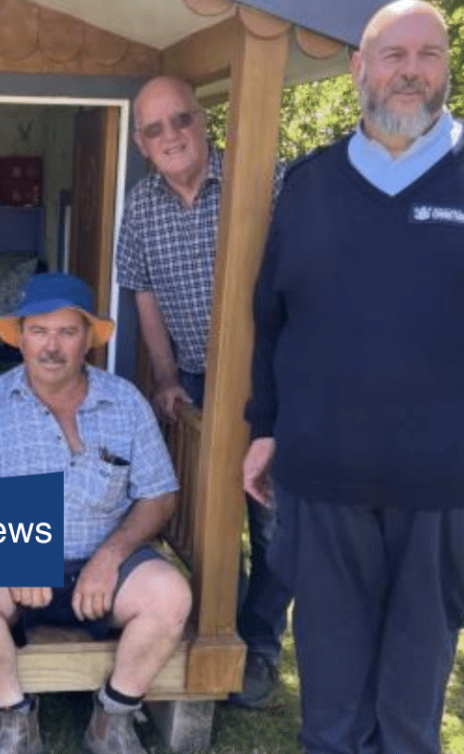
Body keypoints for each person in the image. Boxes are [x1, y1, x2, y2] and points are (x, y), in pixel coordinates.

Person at [243, 3, 463, 752]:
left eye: (428, 54)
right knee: (330, 705)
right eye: (392, 53)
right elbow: (271, 319)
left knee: (409, 707)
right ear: (358, 68)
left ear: (446, 66)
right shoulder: (307, 186)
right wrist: (262, 427)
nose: (411, 70)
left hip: (441, 488)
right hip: (322, 476)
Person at [0, 273, 192, 754]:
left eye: (66, 332)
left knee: (170, 595)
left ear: (88, 341)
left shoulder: (125, 402)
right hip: (14, 572)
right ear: (20, 338)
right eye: (38, 331)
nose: (51, 346)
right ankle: (17, 724)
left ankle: (112, 718)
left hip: (104, 565)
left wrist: (112, 555)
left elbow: (160, 495)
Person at [116, 75, 290, 708]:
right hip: (192, 378)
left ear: (204, 120)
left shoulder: (264, 180)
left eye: (181, 120)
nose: (171, 136)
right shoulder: (139, 205)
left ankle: (261, 645)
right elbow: (144, 294)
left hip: (273, 376)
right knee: (208, 518)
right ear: (140, 142)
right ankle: (217, 635)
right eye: (155, 129)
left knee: (272, 522)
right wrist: (164, 378)